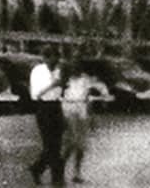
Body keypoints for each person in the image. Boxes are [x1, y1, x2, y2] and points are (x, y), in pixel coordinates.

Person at [29, 46, 65, 186]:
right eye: (51, 59)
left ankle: (37, 168)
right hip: (44, 107)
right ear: (45, 58)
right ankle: (56, 178)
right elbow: (36, 94)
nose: (54, 62)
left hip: (56, 106)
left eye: (57, 58)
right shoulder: (38, 71)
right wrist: (53, 85)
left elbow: (61, 90)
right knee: (50, 144)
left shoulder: (58, 70)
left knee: (57, 144)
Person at [62, 59, 102, 184]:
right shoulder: (65, 79)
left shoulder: (86, 80)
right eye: (73, 66)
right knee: (72, 141)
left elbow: (88, 98)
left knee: (81, 144)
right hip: (68, 109)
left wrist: (92, 116)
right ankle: (60, 169)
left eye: (78, 67)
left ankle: (77, 172)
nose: (76, 69)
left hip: (82, 110)